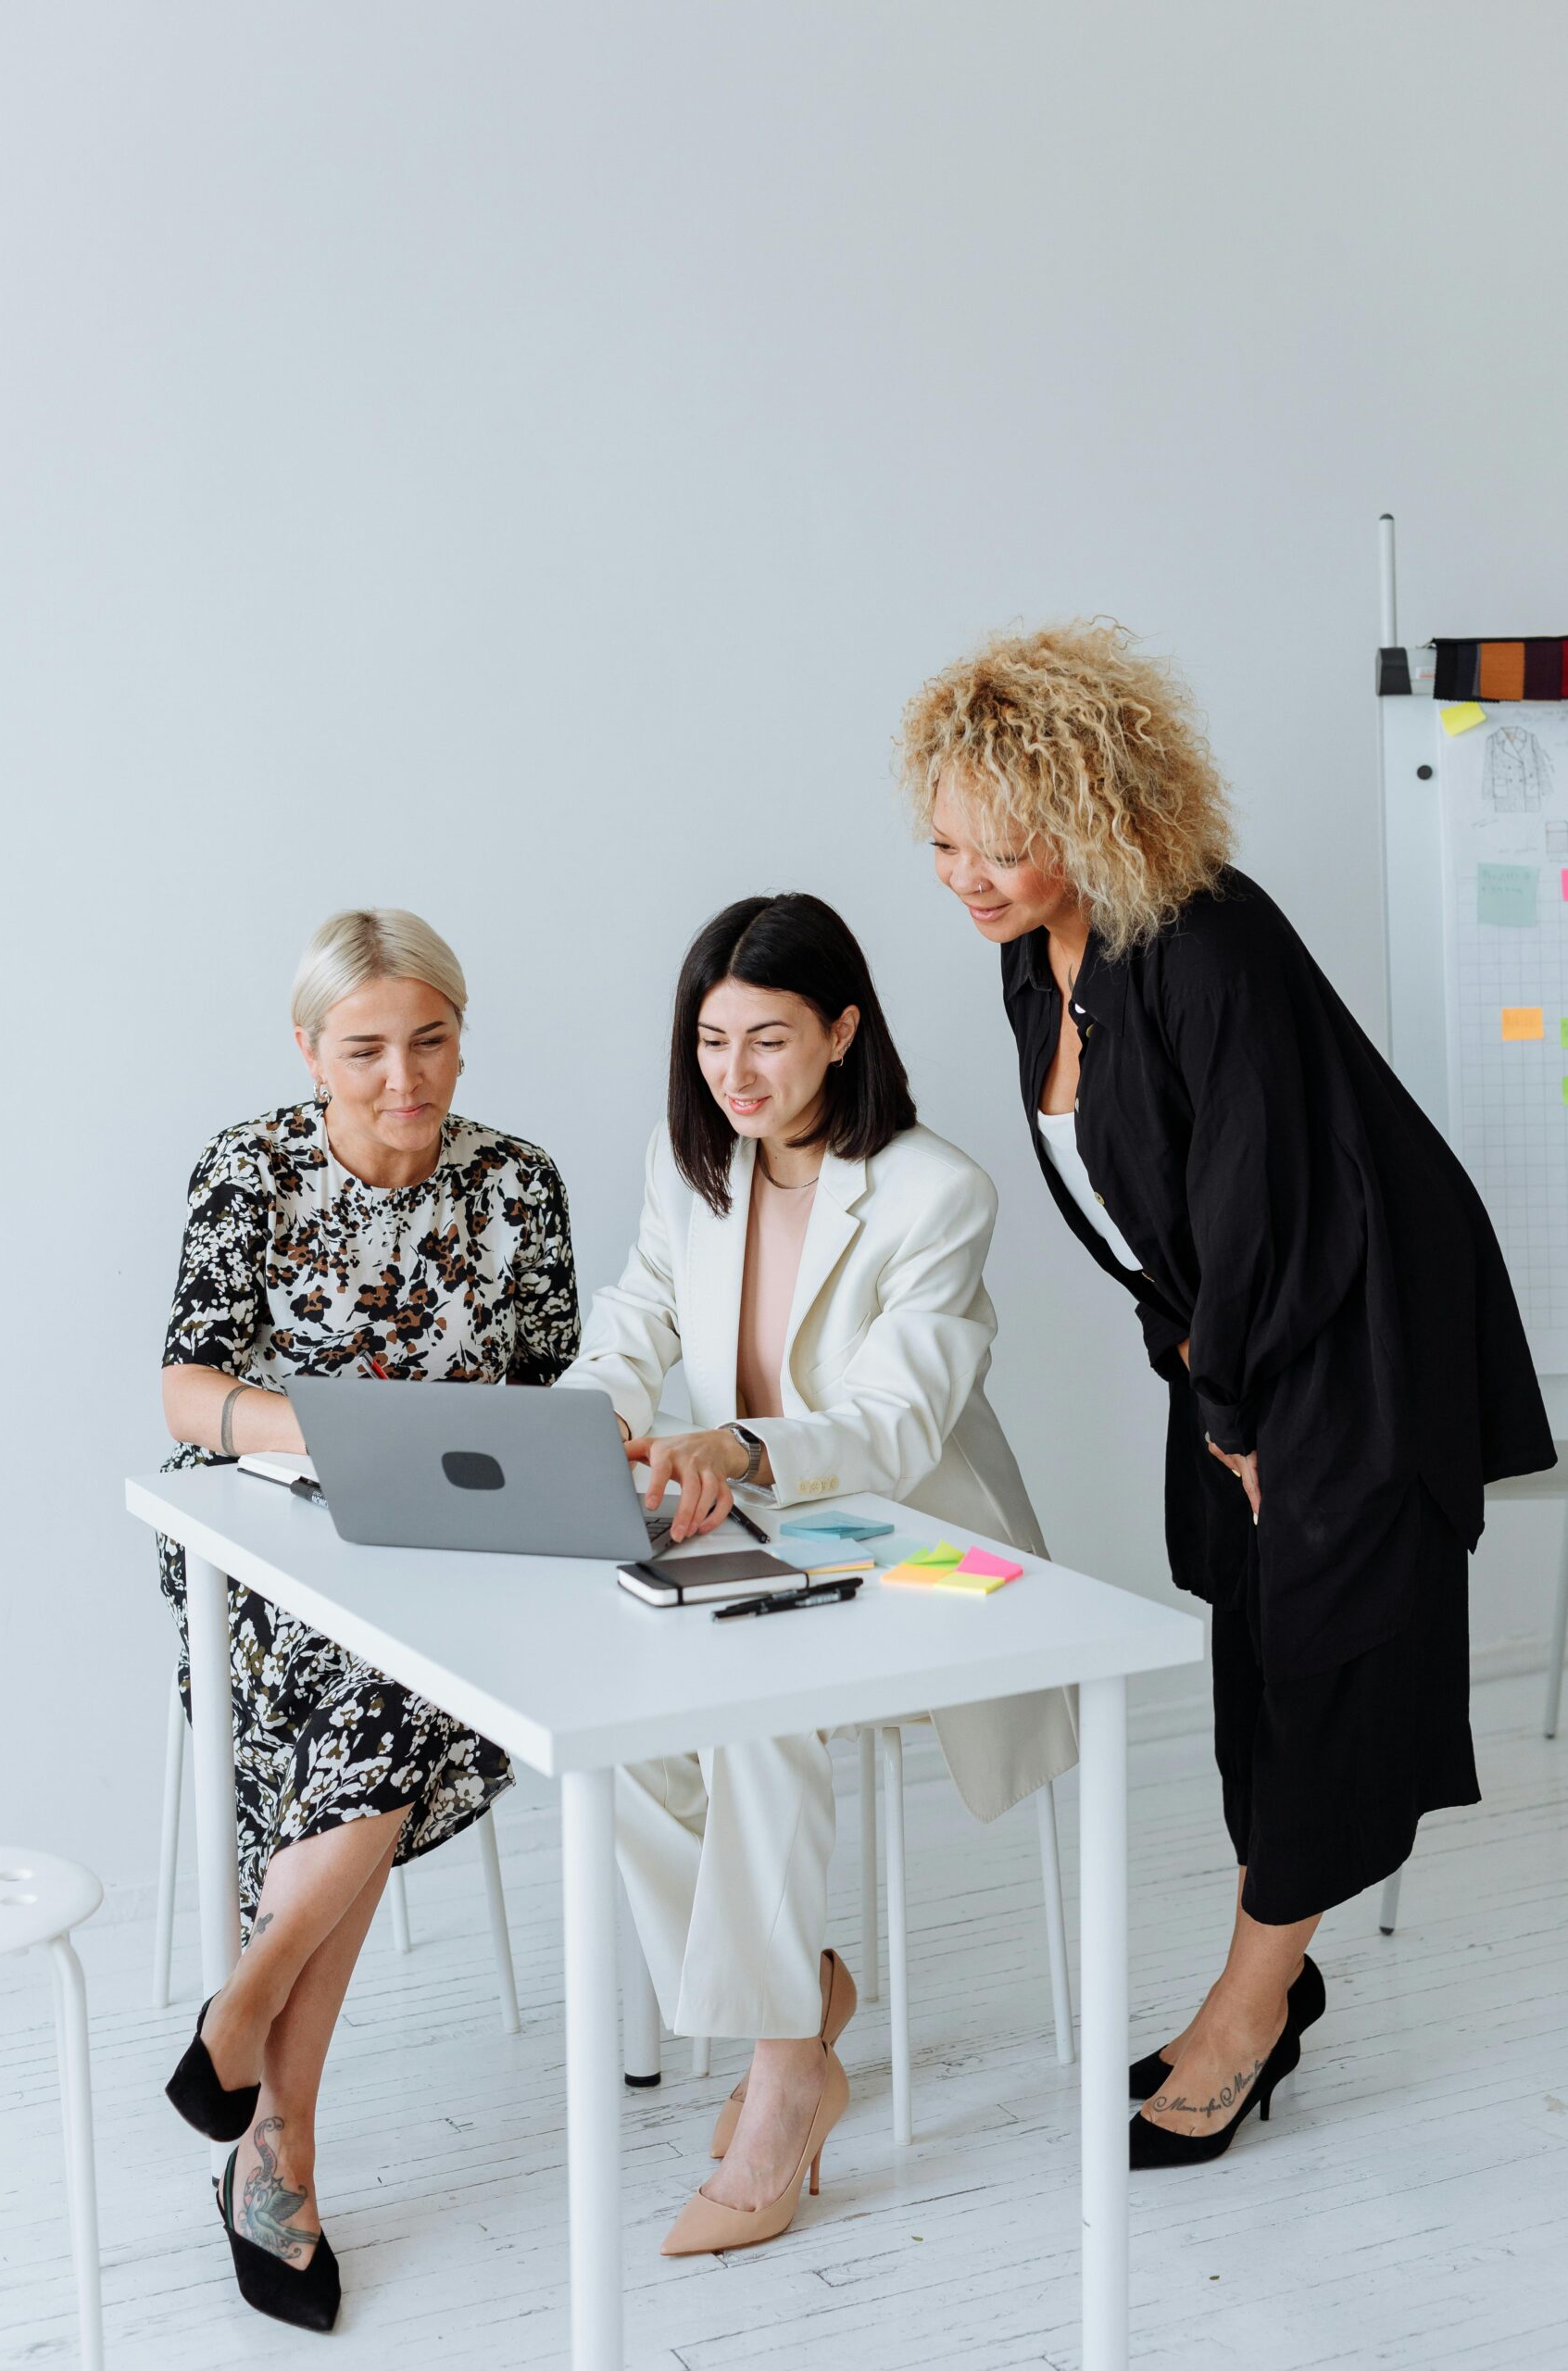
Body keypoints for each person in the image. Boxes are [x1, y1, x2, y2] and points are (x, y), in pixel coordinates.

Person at [899, 621, 1555, 2168]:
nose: (972, 879)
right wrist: (1203, 1380)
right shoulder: (1029, 955)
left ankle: (1246, 2013)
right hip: (1235, 1343)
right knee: (1257, 1659)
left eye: (1009, 845)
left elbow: (1266, 1206)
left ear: (1100, 810)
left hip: (1352, 1328)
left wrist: (1244, 1416)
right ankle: (1277, 1972)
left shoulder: (1202, 939)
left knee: (1329, 1663)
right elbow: (1150, 1214)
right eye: (944, 845)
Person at [558, 890, 1078, 2252]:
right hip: (759, 1530)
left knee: (756, 1714)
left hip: (913, 1542)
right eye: (712, 1040)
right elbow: (627, 1323)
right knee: (630, 1737)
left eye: (770, 1039)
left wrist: (728, 1441)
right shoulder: (694, 1166)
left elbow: (893, 1425)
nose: (734, 1073)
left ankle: (788, 2080)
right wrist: (596, 1418)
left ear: (843, 1032)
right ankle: (796, 2006)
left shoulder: (935, 1192)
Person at [157, 908, 579, 2328]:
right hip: (264, 1538)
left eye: (432, 1039)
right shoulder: (251, 1167)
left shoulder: (520, 1186)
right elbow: (186, 1391)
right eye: (365, 1049)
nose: (404, 1076)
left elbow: (549, 1405)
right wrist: (328, 1440)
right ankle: (280, 2138)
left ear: (464, 1033)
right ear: (309, 1051)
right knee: (391, 1677)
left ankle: (249, 2010)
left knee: (406, 1665)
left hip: (453, 1544)